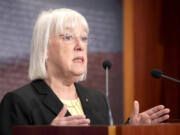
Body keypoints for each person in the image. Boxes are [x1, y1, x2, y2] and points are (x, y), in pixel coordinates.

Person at [0, 8, 170, 135]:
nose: (80, 46)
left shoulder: (98, 101)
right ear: (44, 49)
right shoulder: (18, 102)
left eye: (84, 38)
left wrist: (130, 131)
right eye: (68, 37)